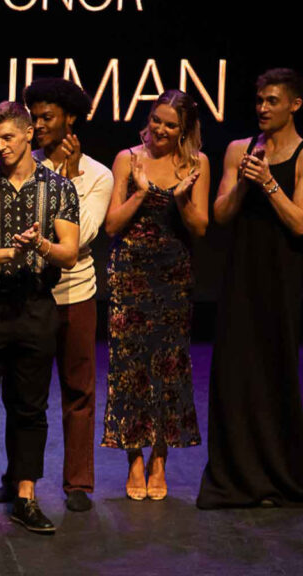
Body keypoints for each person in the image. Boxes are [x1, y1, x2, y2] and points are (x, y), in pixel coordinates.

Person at [0, 101, 80, 535]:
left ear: (29, 134)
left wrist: (41, 245)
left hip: (35, 305)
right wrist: (12, 250)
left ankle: (26, 496)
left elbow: (70, 251)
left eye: (8, 137)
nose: (1, 145)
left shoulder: (59, 188)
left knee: (30, 407)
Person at [0, 78, 113, 512]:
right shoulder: (23, 168)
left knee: (78, 389)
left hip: (75, 294)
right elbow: (13, 226)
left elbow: (79, 239)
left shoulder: (98, 175)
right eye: (34, 118)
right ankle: (16, 479)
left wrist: (65, 180)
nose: (39, 125)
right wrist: (53, 177)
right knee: (22, 391)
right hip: (28, 293)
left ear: (71, 120)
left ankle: (78, 483)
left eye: (47, 118)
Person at [199, 69, 303, 509]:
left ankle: (279, 477)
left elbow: (300, 223)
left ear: (294, 105)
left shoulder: (301, 154)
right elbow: (220, 215)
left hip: (283, 276)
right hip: (241, 274)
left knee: (275, 369)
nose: (262, 108)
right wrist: (244, 181)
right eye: (259, 100)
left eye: (272, 101)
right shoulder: (240, 149)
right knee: (235, 373)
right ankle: (234, 479)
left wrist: (269, 182)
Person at [102, 90, 209, 501]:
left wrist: (181, 197)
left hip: (173, 276)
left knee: (168, 367)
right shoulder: (128, 158)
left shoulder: (196, 164)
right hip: (131, 274)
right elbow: (112, 225)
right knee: (130, 369)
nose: (159, 130)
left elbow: (199, 228)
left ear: (184, 130)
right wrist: (142, 192)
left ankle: (160, 457)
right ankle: (133, 457)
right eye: (156, 120)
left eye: (170, 124)